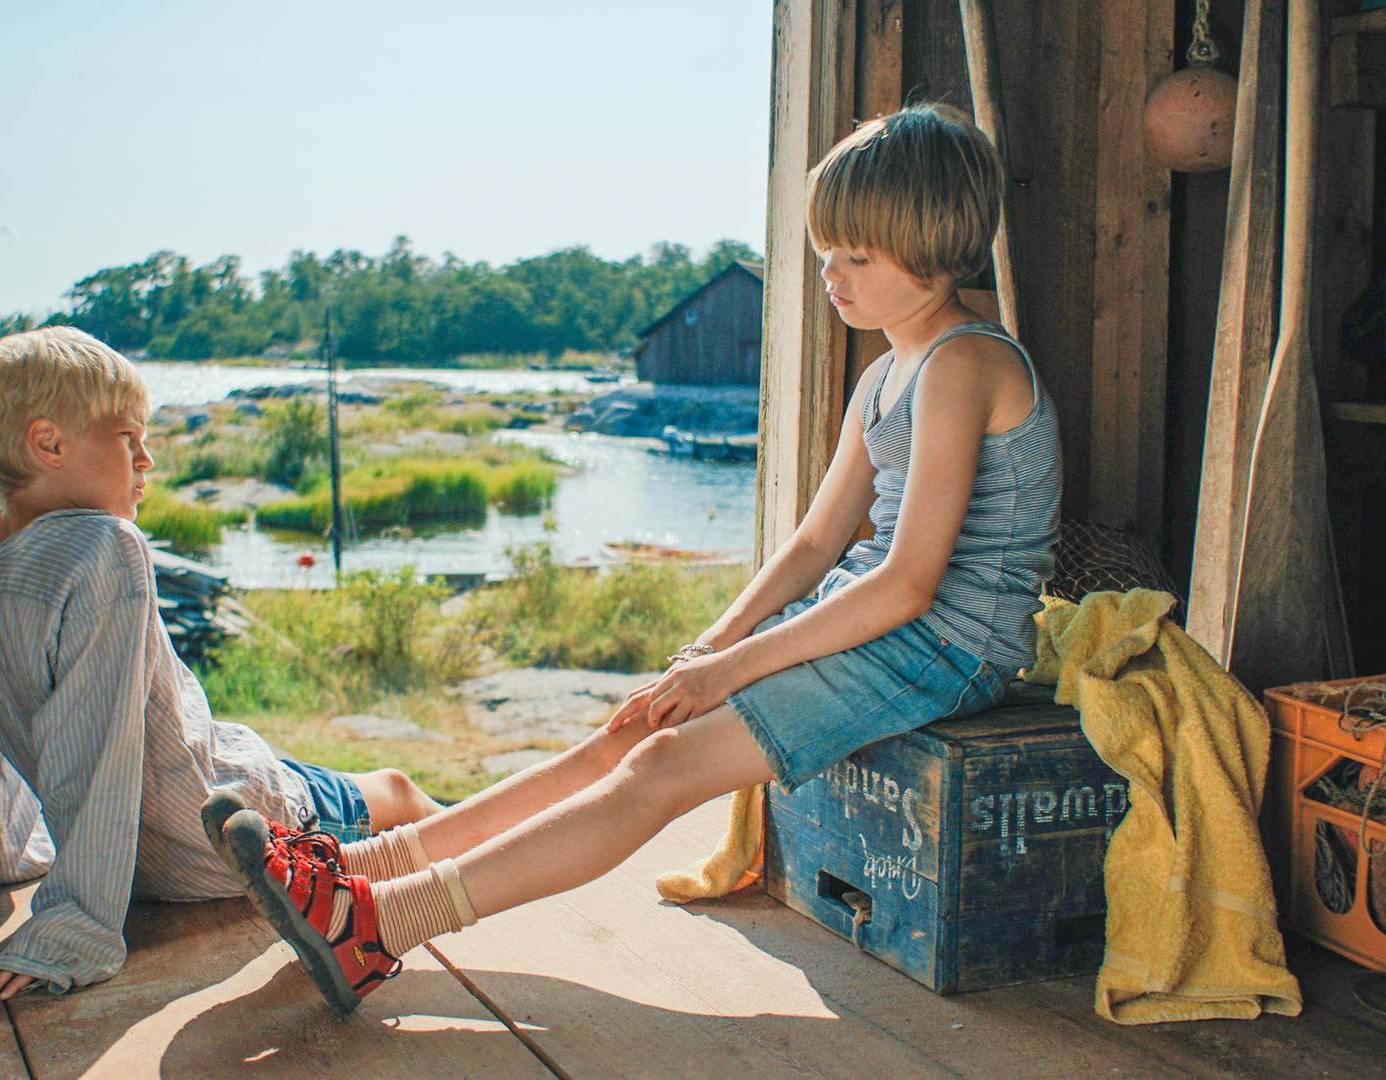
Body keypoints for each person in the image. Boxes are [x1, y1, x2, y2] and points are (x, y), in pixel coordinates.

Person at [205, 102, 1062, 1012]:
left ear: (938, 249)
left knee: (658, 771)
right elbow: (817, 541)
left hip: (948, 645)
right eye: (825, 251)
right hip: (884, 617)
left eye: (859, 256)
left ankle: (377, 926)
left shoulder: (967, 362)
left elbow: (910, 579)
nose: (830, 274)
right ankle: (359, 867)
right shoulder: (883, 374)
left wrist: (739, 663)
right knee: (633, 730)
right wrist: (706, 649)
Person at [0, 326, 443, 1000]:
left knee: (372, 788)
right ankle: (533, 868)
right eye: (129, 438)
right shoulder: (105, 548)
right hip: (229, 831)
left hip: (144, 858)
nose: (147, 459)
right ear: (50, 444)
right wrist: (72, 927)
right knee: (401, 791)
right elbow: (97, 742)